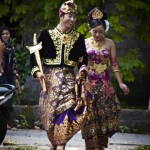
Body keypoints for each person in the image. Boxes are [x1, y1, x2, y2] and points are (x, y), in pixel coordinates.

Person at [30, 1, 91, 150]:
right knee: (50, 118)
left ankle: (61, 145)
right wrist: (37, 72)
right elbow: (33, 56)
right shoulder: (45, 34)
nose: (72, 19)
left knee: (66, 112)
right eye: (69, 16)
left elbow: (83, 59)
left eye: (74, 16)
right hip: (49, 83)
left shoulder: (79, 37)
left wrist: (83, 70)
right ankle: (54, 144)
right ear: (61, 15)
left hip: (69, 81)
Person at [81, 7, 130, 150]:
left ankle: (100, 146)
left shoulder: (110, 43)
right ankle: (90, 146)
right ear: (90, 29)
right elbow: (80, 63)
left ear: (105, 30)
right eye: (94, 31)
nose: (97, 34)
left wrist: (121, 83)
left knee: (105, 114)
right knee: (88, 116)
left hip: (105, 85)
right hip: (88, 84)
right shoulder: (84, 43)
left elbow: (114, 64)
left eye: (100, 31)